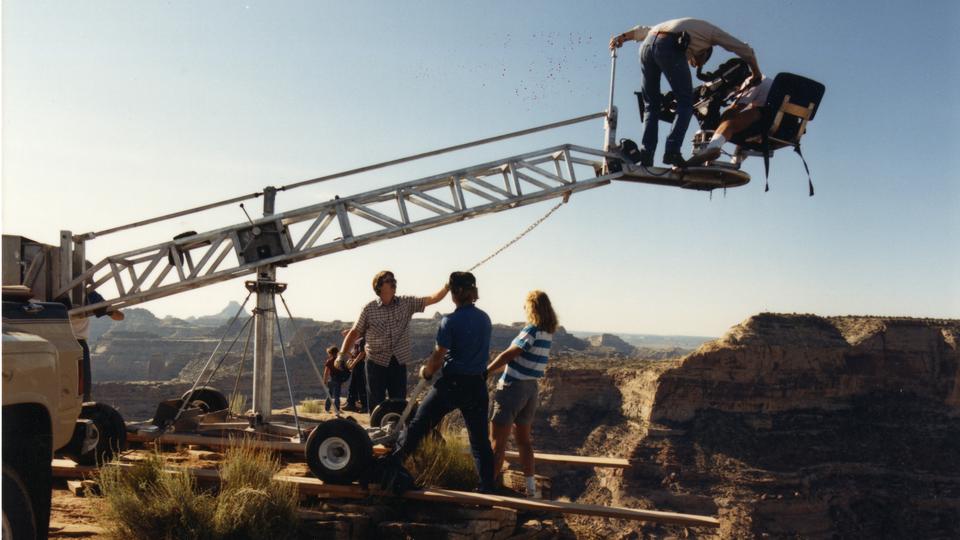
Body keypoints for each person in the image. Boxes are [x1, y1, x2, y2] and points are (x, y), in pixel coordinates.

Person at [378, 272, 496, 494]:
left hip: (452, 385)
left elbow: (438, 357)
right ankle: (487, 488)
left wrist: (426, 371)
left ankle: (390, 468)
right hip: (477, 386)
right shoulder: (485, 318)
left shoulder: (449, 321)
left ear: (455, 293)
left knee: (418, 426)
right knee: (480, 441)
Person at [609, 18, 761, 167]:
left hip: (646, 47)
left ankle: (646, 156)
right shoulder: (711, 33)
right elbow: (744, 49)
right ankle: (672, 151)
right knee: (686, 103)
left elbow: (642, 31)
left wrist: (622, 37)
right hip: (667, 44)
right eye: (695, 61)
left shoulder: (687, 28)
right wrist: (756, 72)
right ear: (704, 51)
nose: (693, 64)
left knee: (651, 105)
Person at [338, 271, 449, 413]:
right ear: (379, 286)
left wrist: (447, 287)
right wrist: (341, 355)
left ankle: (396, 428)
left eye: (393, 279)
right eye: (389, 280)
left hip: (398, 362)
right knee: (376, 405)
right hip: (375, 363)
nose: (393, 282)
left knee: (398, 404)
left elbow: (433, 298)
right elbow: (354, 332)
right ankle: (377, 426)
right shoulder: (369, 309)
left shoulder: (406, 303)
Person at [487, 290, 558, 498]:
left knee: (497, 442)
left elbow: (509, 355)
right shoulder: (547, 332)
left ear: (533, 307)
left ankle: (487, 488)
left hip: (513, 388)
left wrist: (485, 371)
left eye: (526, 305)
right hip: (531, 389)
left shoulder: (532, 330)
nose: (523, 308)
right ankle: (531, 489)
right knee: (524, 441)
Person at [697, 76, 773, 163]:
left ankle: (710, 150)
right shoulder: (769, 83)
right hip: (780, 127)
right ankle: (734, 162)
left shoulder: (752, 80)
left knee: (728, 124)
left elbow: (734, 109)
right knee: (743, 123)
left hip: (766, 120)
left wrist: (718, 128)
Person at [66, 290, 125, 402]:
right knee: (81, 391)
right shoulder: (87, 293)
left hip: (45, 343)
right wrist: (107, 309)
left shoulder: (37, 289)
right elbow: (119, 316)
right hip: (77, 345)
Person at [343, 335, 368, 412]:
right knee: (353, 385)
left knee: (361, 385)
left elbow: (362, 353)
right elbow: (355, 354)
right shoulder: (358, 341)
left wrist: (353, 363)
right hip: (357, 364)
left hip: (360, 364)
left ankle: (365, 406)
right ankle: (351, 403)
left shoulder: (363, 340)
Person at [323, 346, 350, 414]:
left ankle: (327, 409)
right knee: (337, 396)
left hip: (332, 380)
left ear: (330, 353)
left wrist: (325, 381)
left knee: (329, 394)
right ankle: (337, 410)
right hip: (338, 380)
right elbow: (344, 371)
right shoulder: (340, 361)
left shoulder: (329, 361)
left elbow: (326, 372)